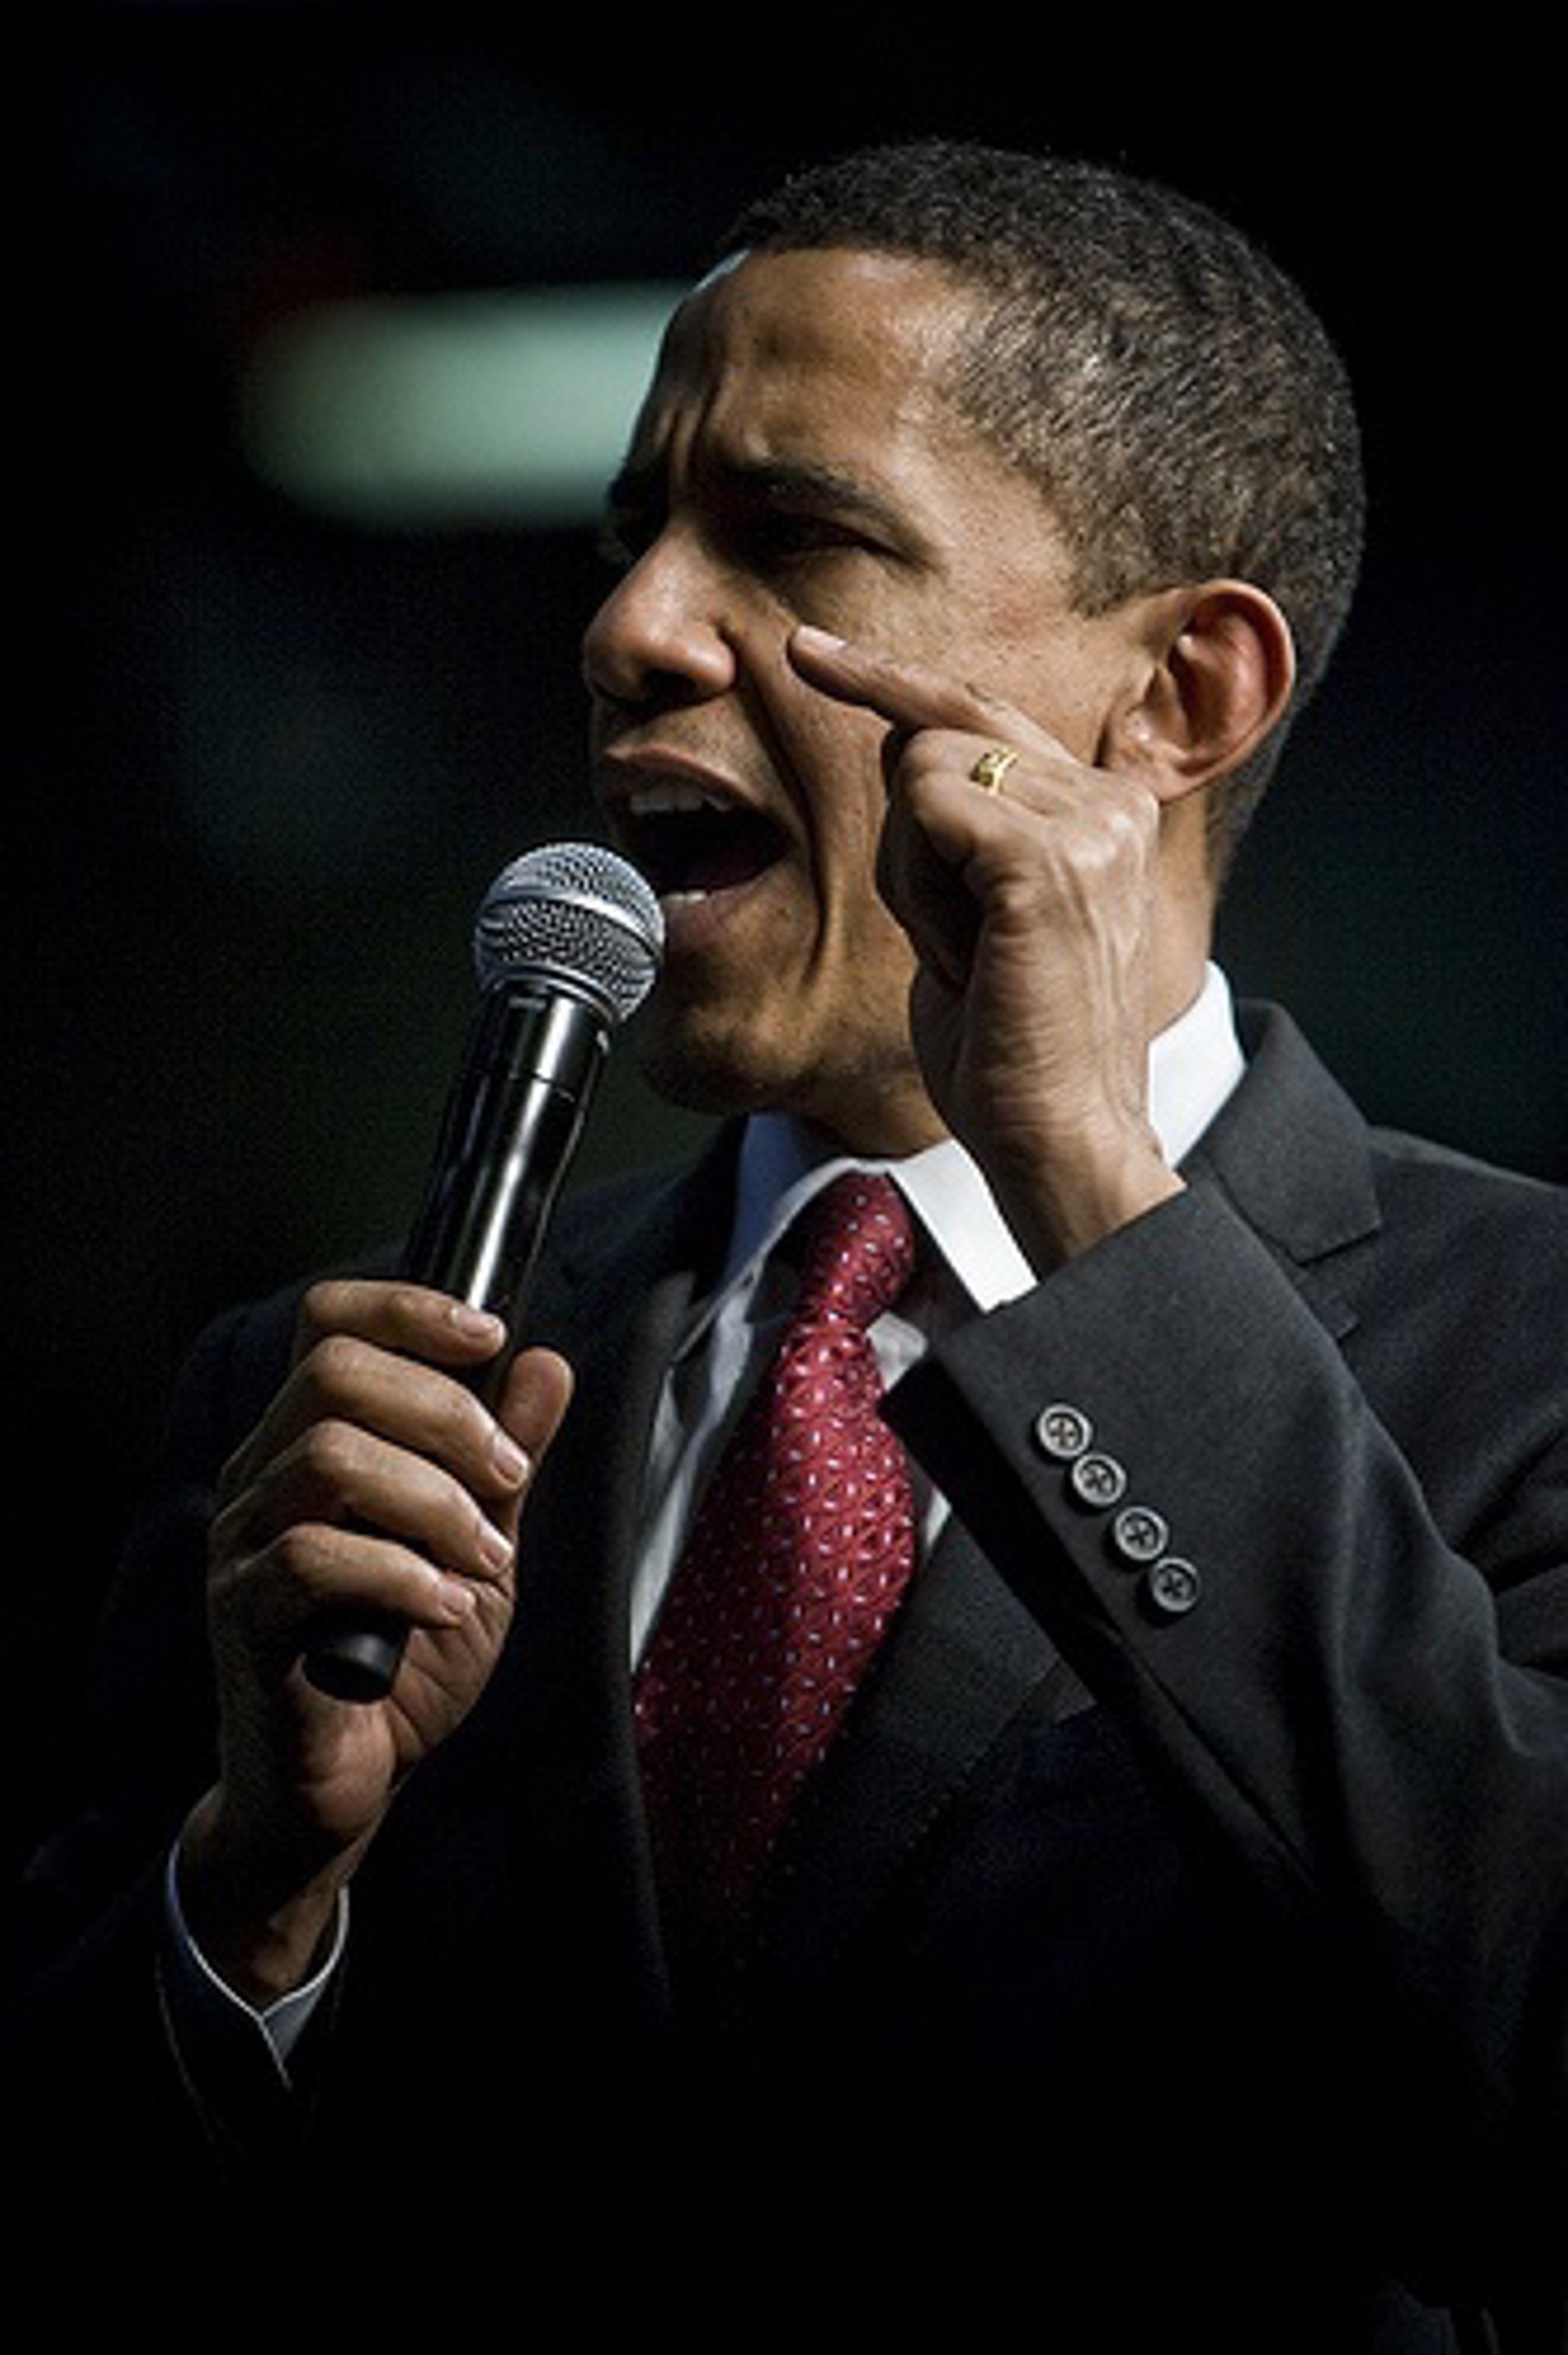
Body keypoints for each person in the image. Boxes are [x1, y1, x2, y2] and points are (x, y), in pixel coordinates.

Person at [6, 137, 1568, 2344]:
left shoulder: (1530, 1360)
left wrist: (1087, 1189)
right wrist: (255, 1909)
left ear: (1179, 698)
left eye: (797, 535)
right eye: (633, 534)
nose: (631, 629)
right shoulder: (323, 1408)